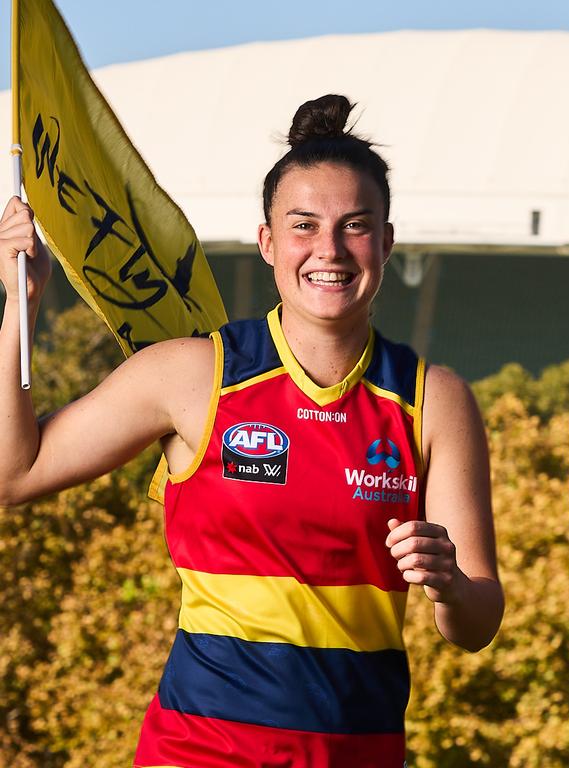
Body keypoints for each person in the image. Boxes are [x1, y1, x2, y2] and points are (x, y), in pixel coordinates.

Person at [0, 94, 503, 767]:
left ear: (384, 242)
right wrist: (18, 309)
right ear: (267, 242)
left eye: (354, 225)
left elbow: (476, 622)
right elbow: (14, 473)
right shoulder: (192, 375)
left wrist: (448, 582)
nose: (328, 249)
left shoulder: (432, 399)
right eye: (303, 225)